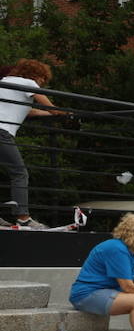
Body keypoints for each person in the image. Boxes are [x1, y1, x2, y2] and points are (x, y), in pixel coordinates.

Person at [0, 59, 64, 230]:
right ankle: (23, 218)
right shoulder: (29, 83)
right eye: (43, 79)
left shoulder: (5, 82)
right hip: (2, 132)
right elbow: (50, 107)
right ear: (37, 75)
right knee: (19, 173)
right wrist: (64, 114)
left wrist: (50, 114)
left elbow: (30, 111)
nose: (42, 83)